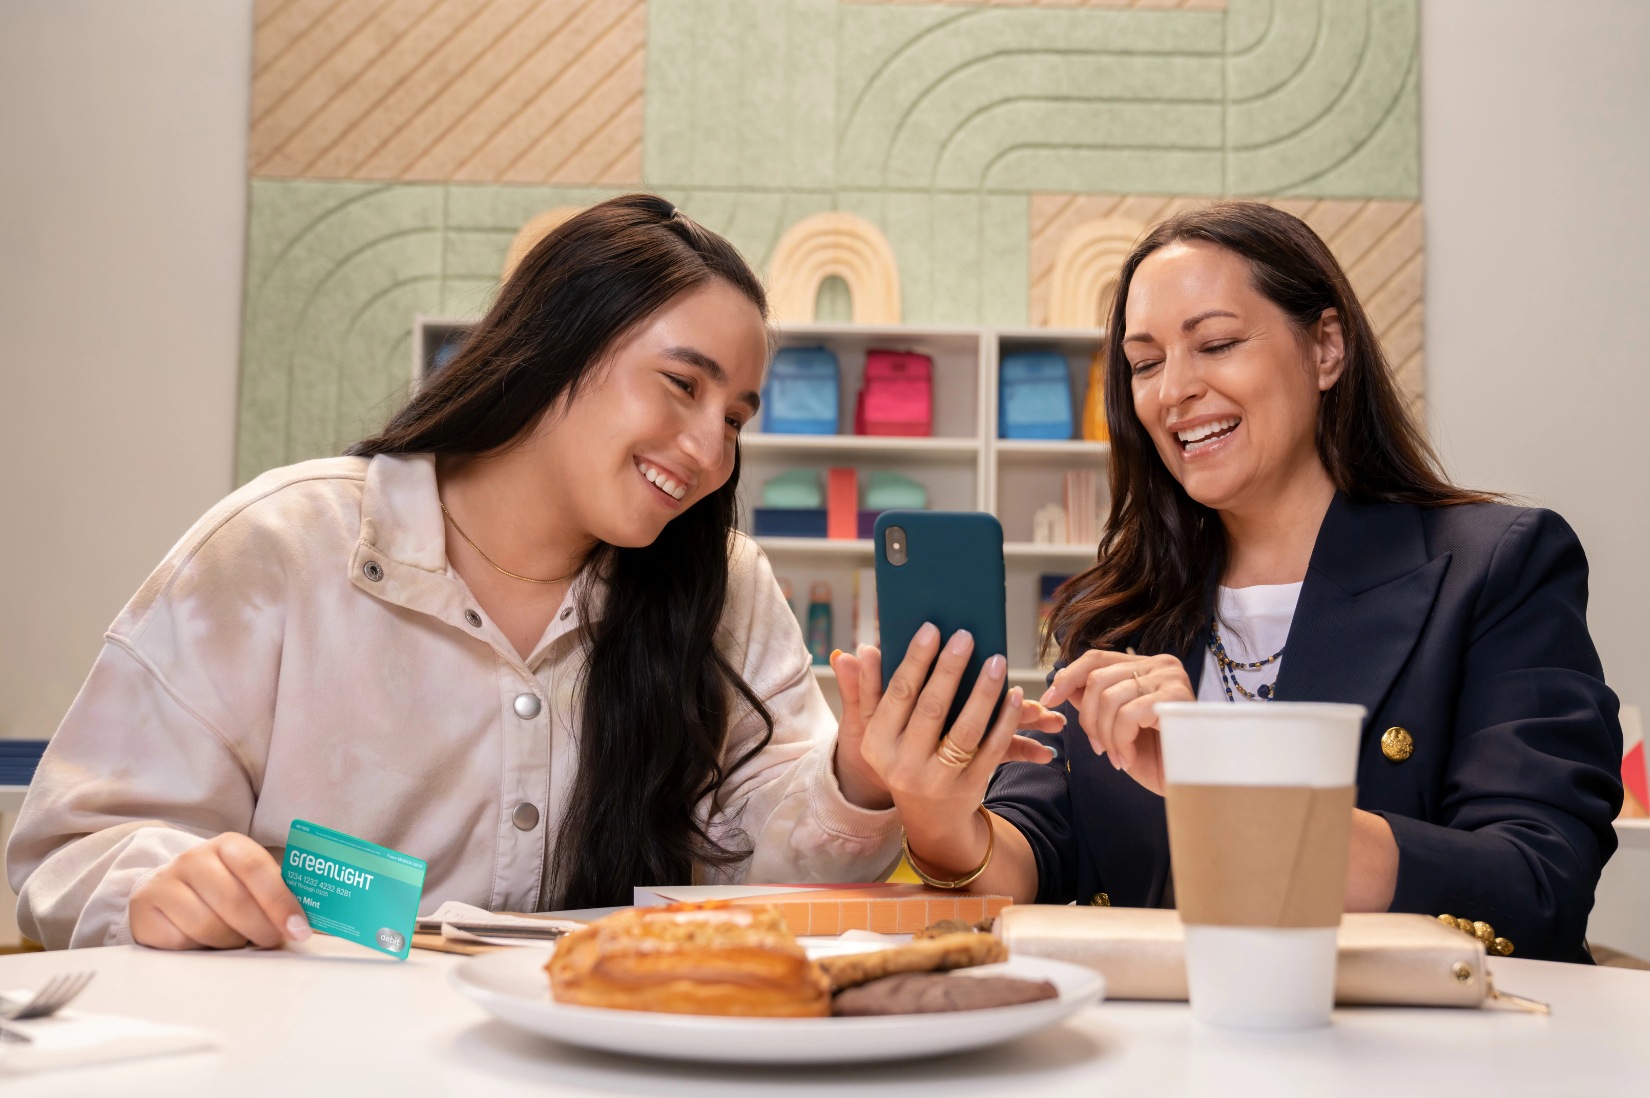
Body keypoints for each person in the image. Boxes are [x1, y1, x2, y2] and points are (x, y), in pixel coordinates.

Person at [9, 194, 907, 951]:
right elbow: (63, 852)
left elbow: (760, 875)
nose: (712, 451)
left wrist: (859, 777)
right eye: (682, 385)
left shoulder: (725, 587)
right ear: (558, 346)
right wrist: (160, 884)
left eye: (738, 417)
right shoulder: (280, 547)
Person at [832, 201, 1623, 964]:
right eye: (1144, 363)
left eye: (1214, 344)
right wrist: (936, 812)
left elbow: (1538, 884)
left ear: (1326, 349)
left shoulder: (1496, 565)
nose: (1173, 389)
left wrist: (1219, 779)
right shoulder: (1114, 613)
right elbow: (1033, 856)